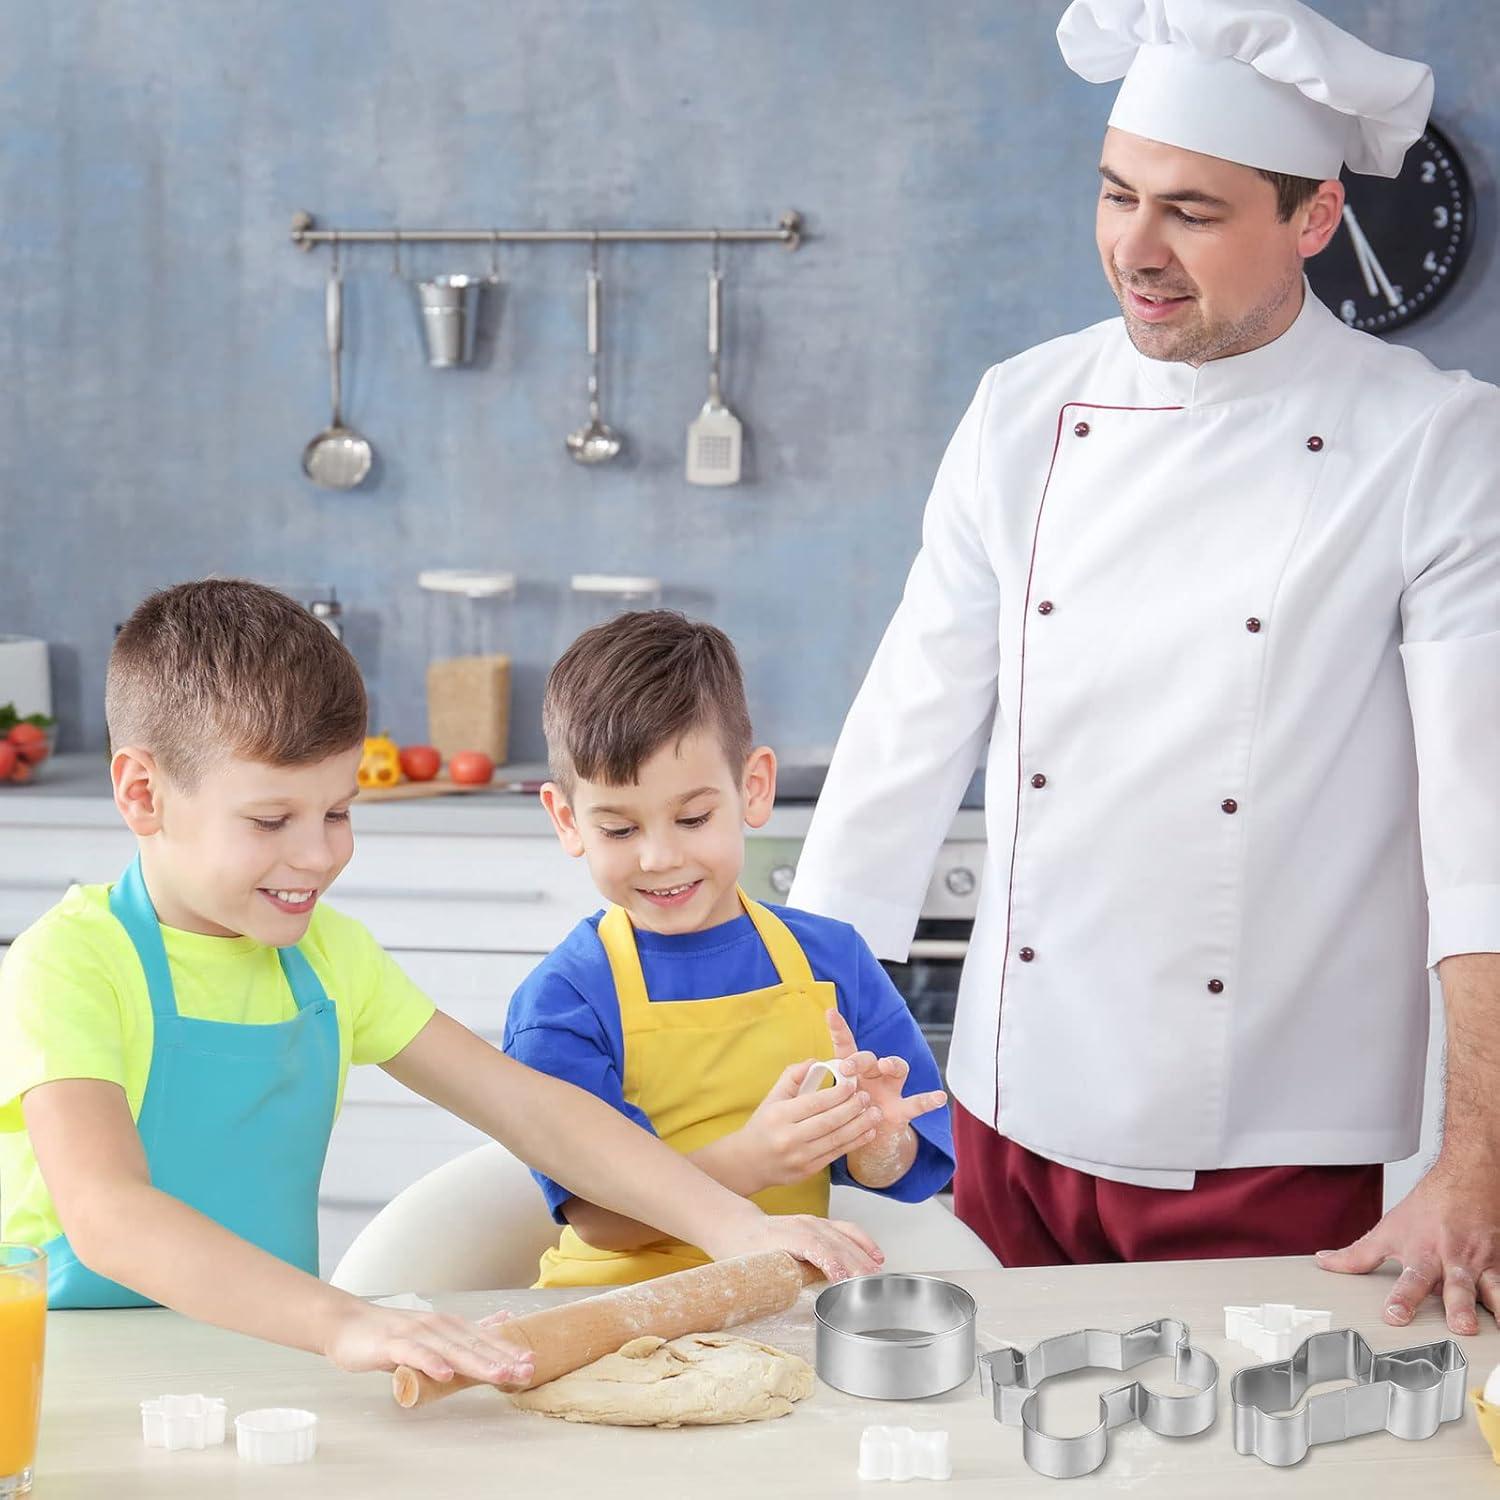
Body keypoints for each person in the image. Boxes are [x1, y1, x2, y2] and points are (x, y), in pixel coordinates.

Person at [790, 0, 1500, 1336]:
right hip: (1007, 1106)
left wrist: (1481, 1160)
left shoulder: (1432, 445)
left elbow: (1483, 836)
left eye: (1193, 211)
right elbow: (902, 742)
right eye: (1118, 194)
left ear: (1314, 217)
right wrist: (803, 1032)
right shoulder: (1022, 409)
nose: (1137, 249)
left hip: (1271, 1137)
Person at [0, 580, 880, 1388]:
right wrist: (345, 1321)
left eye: (337, 811)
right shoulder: (71, 963)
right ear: (143, 793)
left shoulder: (329, 956)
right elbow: (108, 1215)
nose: (319, 855)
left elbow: (533, 1110)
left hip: (265, 1361)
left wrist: (735, 1226)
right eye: (271, 819)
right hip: (66, 1372)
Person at [504, 609, 953, 1287]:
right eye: (620, 830)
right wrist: (755, 1158)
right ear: (568, 821)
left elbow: (899, 1169)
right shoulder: (565, 1000)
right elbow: (598, 1215)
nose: (660, 857)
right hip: (613, 1311)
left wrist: (878, 1137)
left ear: (753, 788)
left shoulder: (834, 960)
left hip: (782, 1306)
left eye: (692, 818)